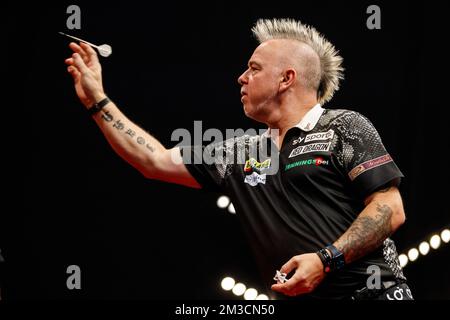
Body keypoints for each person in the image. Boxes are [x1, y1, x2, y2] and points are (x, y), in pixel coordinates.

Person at [65, 18, 413, 300]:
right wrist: (97, 100)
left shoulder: (344, 127)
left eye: (253, 68)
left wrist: (325, 261)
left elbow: (390, 209)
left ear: (285, 79)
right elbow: (152, 159)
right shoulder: (239, 153)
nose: (241, 77)